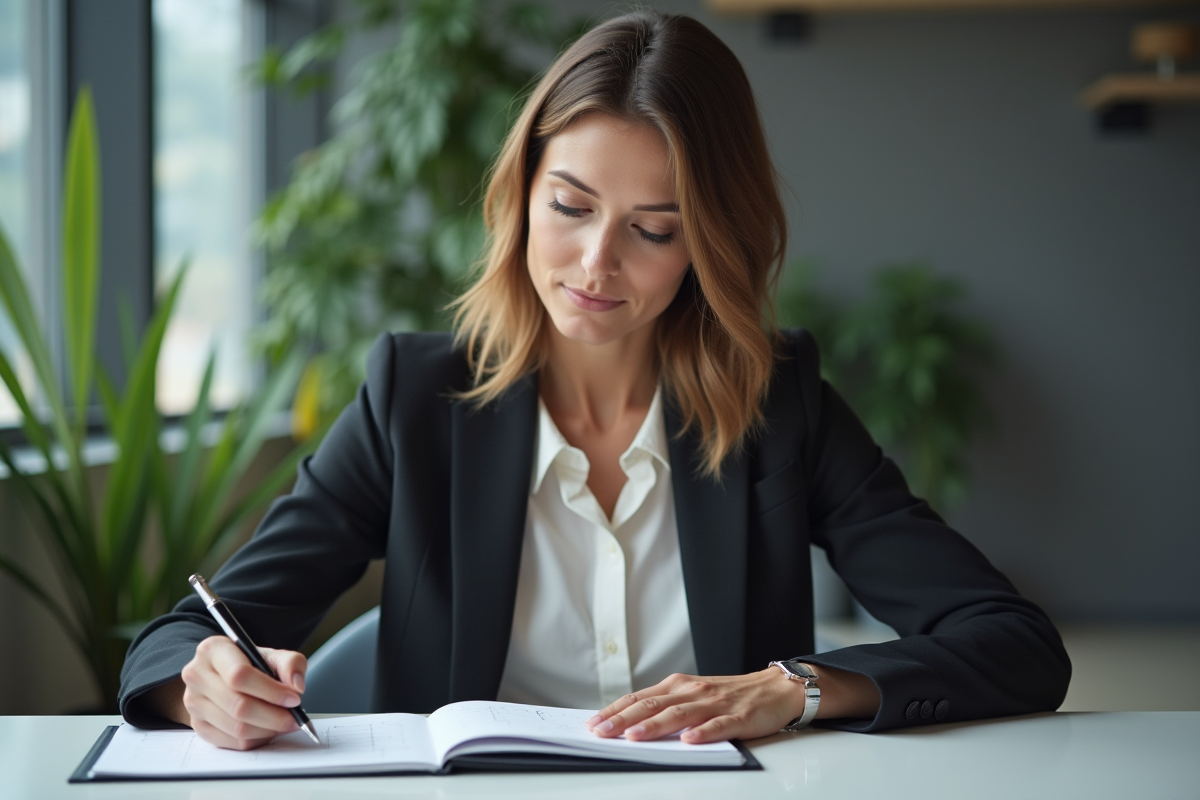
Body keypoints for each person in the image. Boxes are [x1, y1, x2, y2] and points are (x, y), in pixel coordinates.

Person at [119, 10, 1070, 751]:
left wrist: (797, 688)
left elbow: (1013, 642)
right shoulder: (412, 399)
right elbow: (179, 641)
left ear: (710, 245)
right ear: (522, 193)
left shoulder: (780, 404)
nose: (595, 263)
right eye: (571, 206)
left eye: (653, 230)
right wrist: (200, 686)